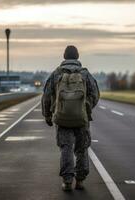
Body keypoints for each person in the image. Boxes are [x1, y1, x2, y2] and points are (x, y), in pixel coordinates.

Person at [41, 45, 99, 191]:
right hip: (81, 119)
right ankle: (80, 181)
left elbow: (46, 96)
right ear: (78, 56)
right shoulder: (85, 74)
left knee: (66, 148)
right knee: (82, 148)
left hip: (61, 118)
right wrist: (86, 107)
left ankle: (67, 181)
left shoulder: (56, 74)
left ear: (64, 56)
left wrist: (47, 115)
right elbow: (95, 94)